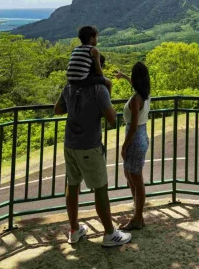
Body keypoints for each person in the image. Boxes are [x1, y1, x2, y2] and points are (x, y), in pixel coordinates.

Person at [54, 73, 131, 247]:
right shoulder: (98, 89)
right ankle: (110, 234)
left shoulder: (70, 86)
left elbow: (57, 109)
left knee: (72, 185)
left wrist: (76, 109)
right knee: (100, 188)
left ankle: (74, 230)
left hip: (70, 144)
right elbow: (112, 119)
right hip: (89, 146)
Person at [115, 62, 151, 230]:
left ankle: (138, 218)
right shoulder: (145, 94)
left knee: (136, 180)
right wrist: (124, 77)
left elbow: (134, 125)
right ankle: (138, 215)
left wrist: (124, 146)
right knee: (131, 177)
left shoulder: (137, 99)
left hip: (135, 140)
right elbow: (135, 84)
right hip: (142, 137)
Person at [67, 25, 112, 95]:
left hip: (70, 80)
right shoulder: (93, 50)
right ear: (91, 39)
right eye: (96, 37)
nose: (97, 40)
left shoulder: (75, 49)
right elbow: (99, 71)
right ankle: (108, 102)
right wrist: (102, 77)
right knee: (109, 83)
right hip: (83, 80)